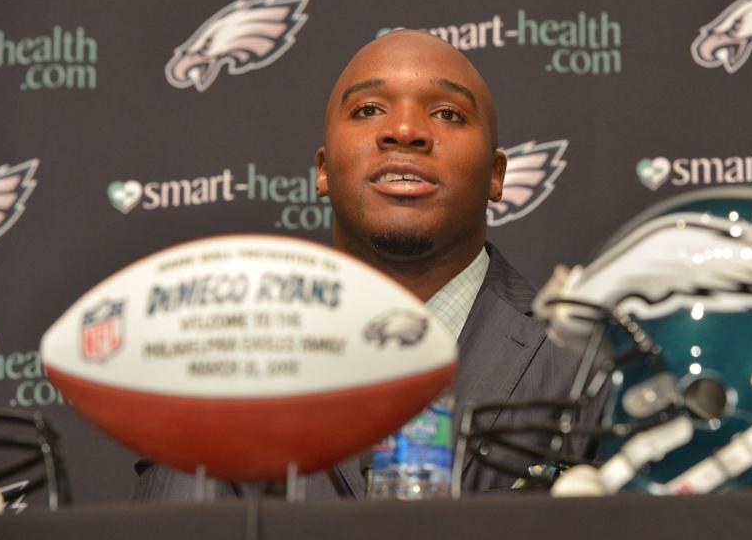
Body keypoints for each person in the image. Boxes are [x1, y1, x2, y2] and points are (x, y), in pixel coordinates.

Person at [134, 30, 600, 501]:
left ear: (496, 176)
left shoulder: (591, 363)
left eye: (447, 113)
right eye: (369, 109)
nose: (405, 130)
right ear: (322, 170)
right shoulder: (227, 367)